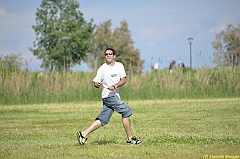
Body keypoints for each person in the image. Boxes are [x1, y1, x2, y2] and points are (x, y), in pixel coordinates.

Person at [77, 48, 142, 145]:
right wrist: (97, 85)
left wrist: (115, 86)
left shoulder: (119, 66)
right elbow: (95, 82)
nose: (108, 55)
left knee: (103, 119)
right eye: (106, 54)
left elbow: (124, 79)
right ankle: (130, 138)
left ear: (114, 56)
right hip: (108, 96)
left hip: (115, 95)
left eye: (110, 54)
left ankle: (83, 134)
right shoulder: (102, 68)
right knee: (126, 111)